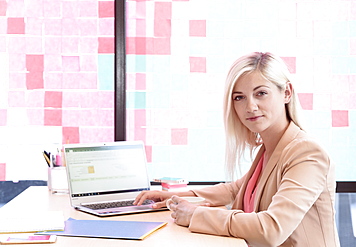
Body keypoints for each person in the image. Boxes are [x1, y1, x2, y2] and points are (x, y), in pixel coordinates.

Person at [134, 52, 340, 247]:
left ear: (286, 93)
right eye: (239, 97)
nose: (250, 106)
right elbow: (237, 189)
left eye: (261, 93)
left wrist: (195, 215)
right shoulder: (270, 148)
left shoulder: (307, 153)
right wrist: (180, 197)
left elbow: (272, 229)